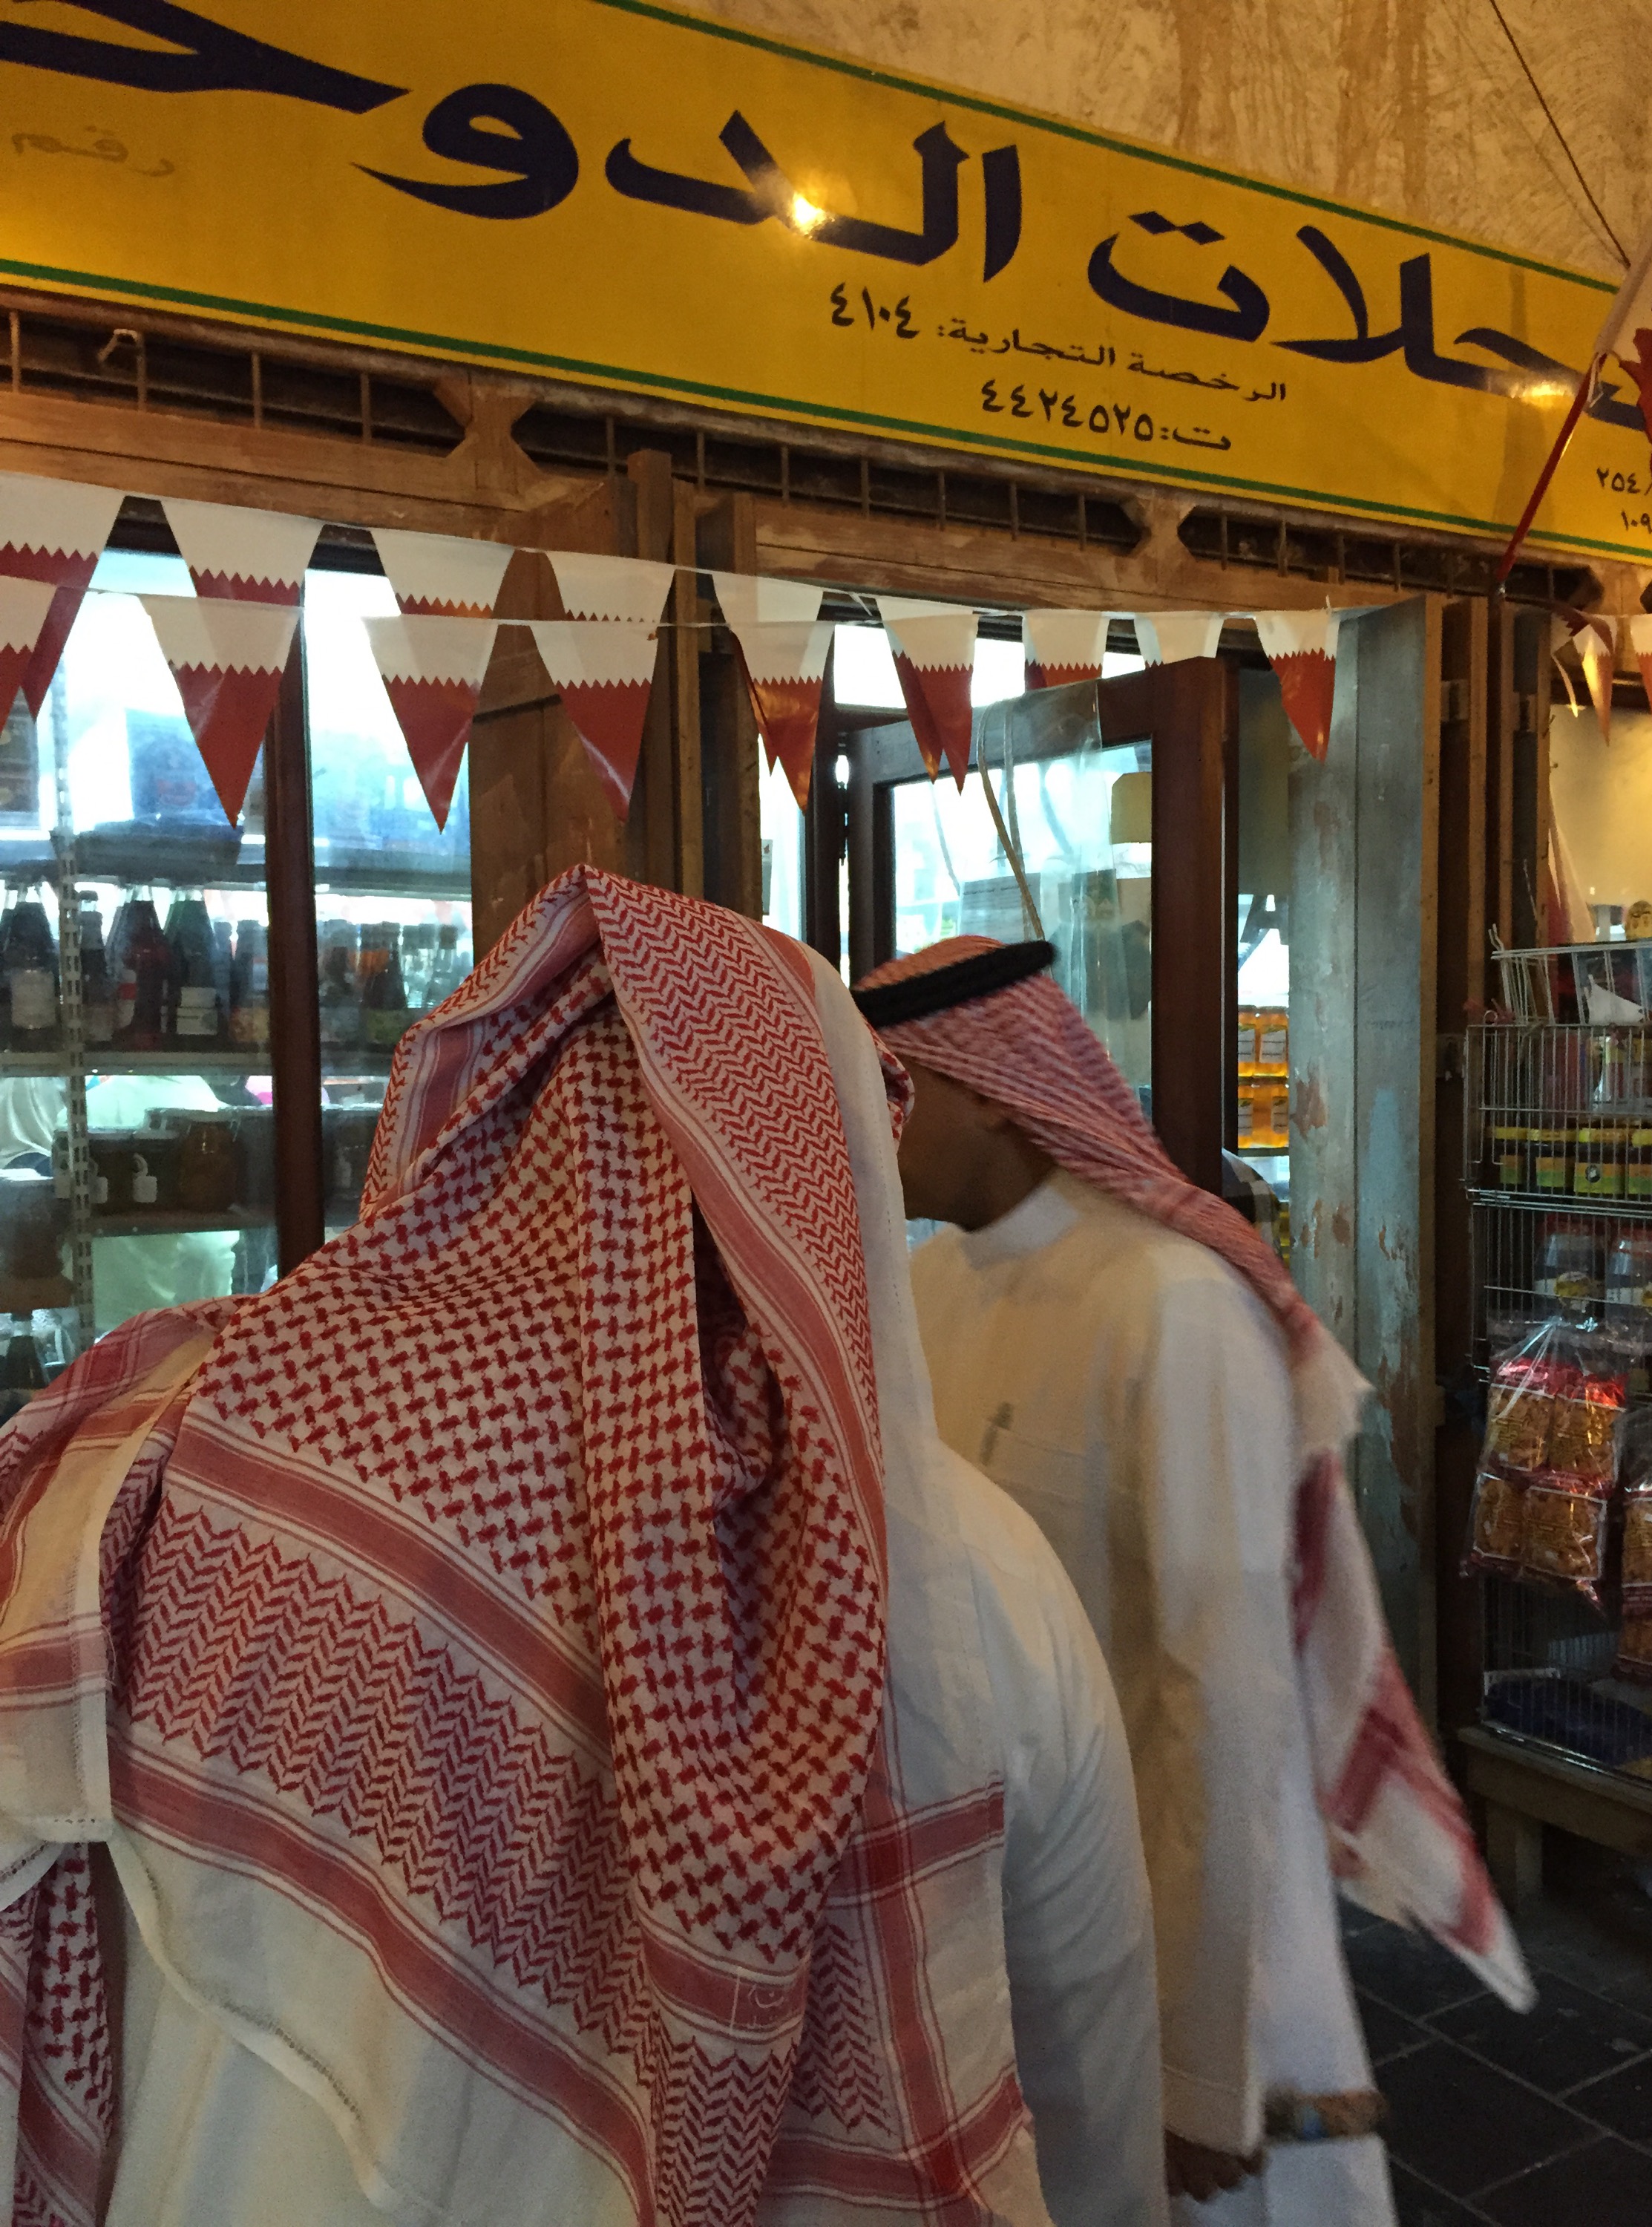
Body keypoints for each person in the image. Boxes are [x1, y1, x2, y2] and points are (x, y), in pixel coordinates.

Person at [0, 871, 1165, 2227]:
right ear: (821, 1163)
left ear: (476, 1122)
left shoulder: (184, 1453)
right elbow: (1085, 2081)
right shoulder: (967, 1575)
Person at [853, 935, 1532, 2227]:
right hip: (1004, 1895)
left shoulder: (1172, 1303)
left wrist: (1200, 2064)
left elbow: (1218, 1701)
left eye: (894, 1089)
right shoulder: (922, 1286)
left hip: (1191, 1928)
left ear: (991, 1085)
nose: (866, 1125)